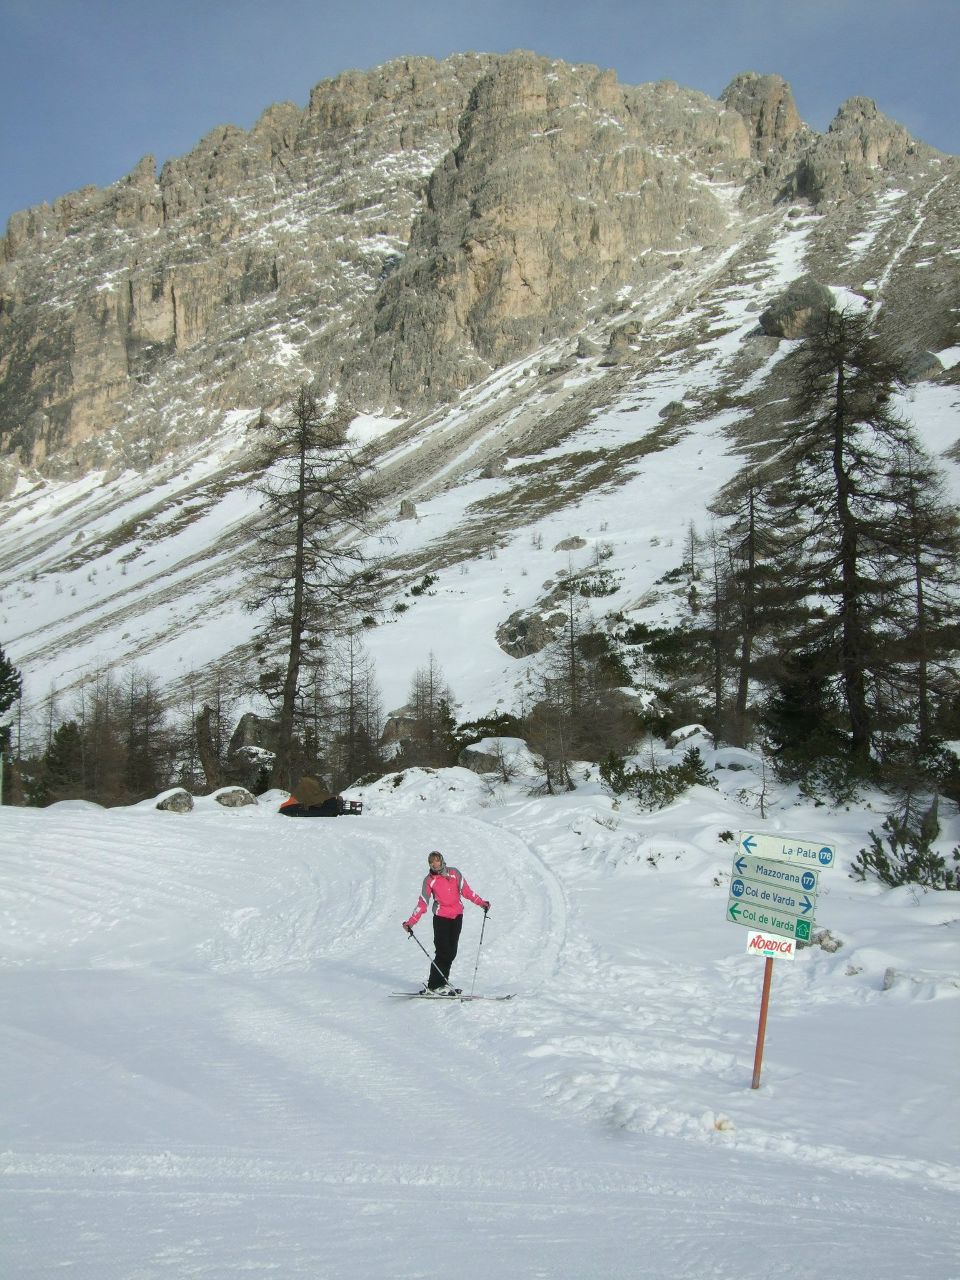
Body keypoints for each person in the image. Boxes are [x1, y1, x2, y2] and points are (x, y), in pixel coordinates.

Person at [403, 850, 489, 994]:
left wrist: (481, 903)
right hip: (441, 918)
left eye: (437, 860)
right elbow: (423, 902)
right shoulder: (429, 880)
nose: (435, 864)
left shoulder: (454, 873)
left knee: (451, 952)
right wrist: (411, 922)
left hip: (457, 917)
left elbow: (466, 891)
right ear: (429, 864)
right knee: (443, 951)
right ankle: (434, 985)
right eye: (432, 862)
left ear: (441, 860)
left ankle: (443, 983)